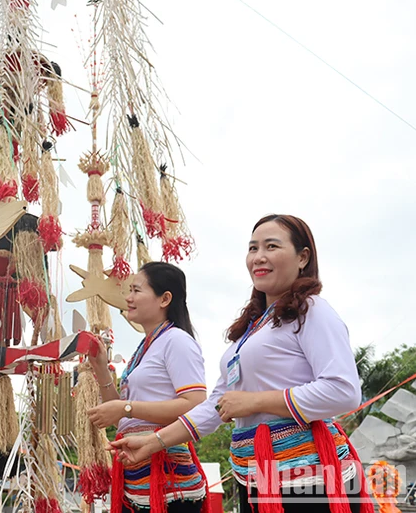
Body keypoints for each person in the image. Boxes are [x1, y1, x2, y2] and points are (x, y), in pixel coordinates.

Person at [110, 215, 373, 513]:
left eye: (271, 246)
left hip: (305, 478)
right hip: (255, 476)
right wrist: (155, 442)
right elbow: (217, 406)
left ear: (303, 257)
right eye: (252, 248)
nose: (258, 257)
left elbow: (343, 391)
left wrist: (255, 402)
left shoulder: (311, 310)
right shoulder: (252, 329)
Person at [87, 262, 210, 513]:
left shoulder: (176, 341)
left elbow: (196, 404)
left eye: (136, 290)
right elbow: (121, 417)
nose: (128, 298)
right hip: (137, 478)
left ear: (165, 299)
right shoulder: (145, 348)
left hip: (167, 481)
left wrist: (127, 407)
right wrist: (101, 368)